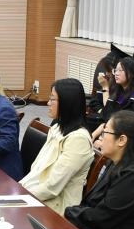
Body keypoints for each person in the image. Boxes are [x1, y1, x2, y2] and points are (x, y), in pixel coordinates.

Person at [65, 110, 134, 229]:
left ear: (121, 140)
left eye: (105, 133)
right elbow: (93, 205)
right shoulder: (117, 163)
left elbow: (101, 219)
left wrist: (68, 212)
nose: (100, 138)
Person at [19, 78, 94, 214]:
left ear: (67, 103)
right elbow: (37, 170)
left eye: (52, 99)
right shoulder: (57, 128)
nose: (48, 103)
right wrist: (19, 189)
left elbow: (52, 187)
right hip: (37, 195)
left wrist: (21, 196)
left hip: (56, 207)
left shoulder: (79, 139)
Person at [92, 51, 134, 140]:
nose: (116, 73)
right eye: (115, 70)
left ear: (131, 73)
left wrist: (101, 133)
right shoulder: (121, 90)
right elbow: (107, 114)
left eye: (120, 70)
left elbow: (123, 124)